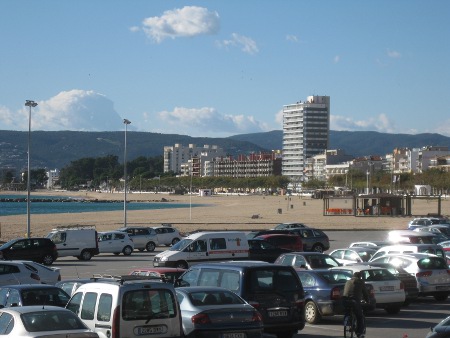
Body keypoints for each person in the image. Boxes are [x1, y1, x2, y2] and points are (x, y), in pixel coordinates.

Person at [343, 271, 370, 338]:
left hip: (345, 301)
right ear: (360, 277)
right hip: (355, 302)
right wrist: (367, 301)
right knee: (360, 317)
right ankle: (359, 333)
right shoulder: (360, 282)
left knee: (347, 312)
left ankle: (347, 322)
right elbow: (365, 293)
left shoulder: (347, 282)